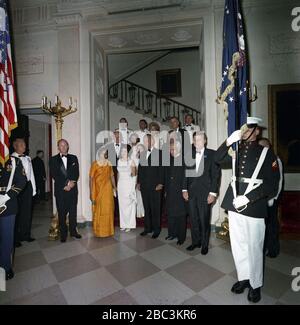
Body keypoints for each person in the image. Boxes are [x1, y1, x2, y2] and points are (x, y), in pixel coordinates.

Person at [215, 117, 280, 303]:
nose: (244, 131)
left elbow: (272, 184)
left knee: (254, 247)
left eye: (248, 128)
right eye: (242, 128)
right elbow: (216, 159)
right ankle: (244, 278)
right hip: (234, 202)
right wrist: (228, 141)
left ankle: (255, 284)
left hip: (254, 206)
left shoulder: (267, 154)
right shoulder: (236, 149)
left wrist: (250, 197)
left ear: (257, 131)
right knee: (238, 245)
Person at [182, 131, 221, 254]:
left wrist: (213, 193)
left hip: (206, 193)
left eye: (200, 139)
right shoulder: (189, 154)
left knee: (204, 220)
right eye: (195, 140)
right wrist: (184, 189)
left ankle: (204, 244)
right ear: (193, 142)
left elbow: (215, 176)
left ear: (205, 141)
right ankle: (195, 242)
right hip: (192, 192)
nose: (197, 142)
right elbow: (185, 174)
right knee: (193, 219)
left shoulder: (212, 154)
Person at [0, 155, 27, 280]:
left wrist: (7, 196)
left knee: (6, 238)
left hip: (7, 204)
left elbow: (22, 180)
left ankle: (5, 266)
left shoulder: (14, 161)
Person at [49, 139, 81, 242]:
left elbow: (76, 173)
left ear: (68, 146)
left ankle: (73, 232)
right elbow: (55, 174)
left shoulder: (74, 158)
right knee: (62, 213)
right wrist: (66, 183)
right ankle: (63, 234)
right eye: (60, 145)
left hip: (72, 190)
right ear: (58, 147)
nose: (63, 147)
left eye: (64, 145)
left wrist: (72, 184)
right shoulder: (53, 159)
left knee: (73, 212)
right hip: (60, 190)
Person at [259, 138, 283, 258]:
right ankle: (265, 248)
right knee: (264, 226)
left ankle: (273, 250)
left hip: (271, 200)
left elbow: (278, 182)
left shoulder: (275, 160)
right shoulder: (264, 159)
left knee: (272, 226)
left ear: (266, 147)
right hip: (263, 199)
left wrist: (272, 199)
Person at [137, 134, 164, 238]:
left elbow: (162, 169)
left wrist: (161, 183)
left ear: (152, 142)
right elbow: (140, 169)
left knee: (156, 208)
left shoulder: (160, 153)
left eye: (146, 141)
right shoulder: (143, 154)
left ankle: (157, 230)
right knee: (146, 208)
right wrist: (139, 182)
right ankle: (148, 228)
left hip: (156, 186)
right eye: (144, 141)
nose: (145, 143)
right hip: (144, 185)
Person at [12, 138, 37, 247]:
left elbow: (31, 175)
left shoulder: (28, 158)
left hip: (27, 187)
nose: (24, 146)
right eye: (21, 144)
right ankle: (15, 238)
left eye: (24, 144)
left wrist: (34, 189)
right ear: (15, 146)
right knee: (16, 214)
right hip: (16, 189)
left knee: (27, 213)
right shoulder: (11, 159)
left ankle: (26, 235)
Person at [164, 140, 187, 245]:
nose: (171, 151)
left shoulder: (184, 160)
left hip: (180, 192)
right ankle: (172, 233)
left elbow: (186, 177)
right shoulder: (169, 160)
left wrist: (184, 190)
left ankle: (181, 237)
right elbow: (166, 176)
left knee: (180, 215)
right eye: (170, 149)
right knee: (171, 213)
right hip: (170, 191)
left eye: (173, 149)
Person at [90, 146, 116, 237]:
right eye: (103, 153)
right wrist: (91, 192)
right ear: (99, 153)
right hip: (98, 190)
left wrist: (114, 187)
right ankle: (99, 231)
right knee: (99, 210)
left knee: (108, 208)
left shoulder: (109, 163)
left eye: (106, 153)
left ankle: (109, 230)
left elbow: (112, 176)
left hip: (108, 189)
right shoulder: (95, 164)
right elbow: (91, 179)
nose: (104, 154)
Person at [117, 145, 137, 232]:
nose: (123, 153)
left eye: (125, 151)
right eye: (122, 151)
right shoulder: (119, 161)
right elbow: (118, 174)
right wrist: (117, 186)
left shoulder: (131, 162)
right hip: (121, 185)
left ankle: (129, 224)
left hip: (129, 184)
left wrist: (132, 188)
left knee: (129, 205)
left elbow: (134, 175)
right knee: (122, 205)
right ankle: (123, 224)